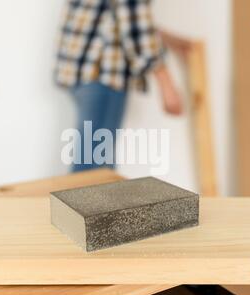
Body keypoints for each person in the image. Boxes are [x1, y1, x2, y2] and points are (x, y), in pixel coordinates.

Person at [54, 0, 184, 172]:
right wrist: (166, 82)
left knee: (95, 163)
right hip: (101, 72)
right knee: (94, 170)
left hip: (82, 69)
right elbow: (135, 19)